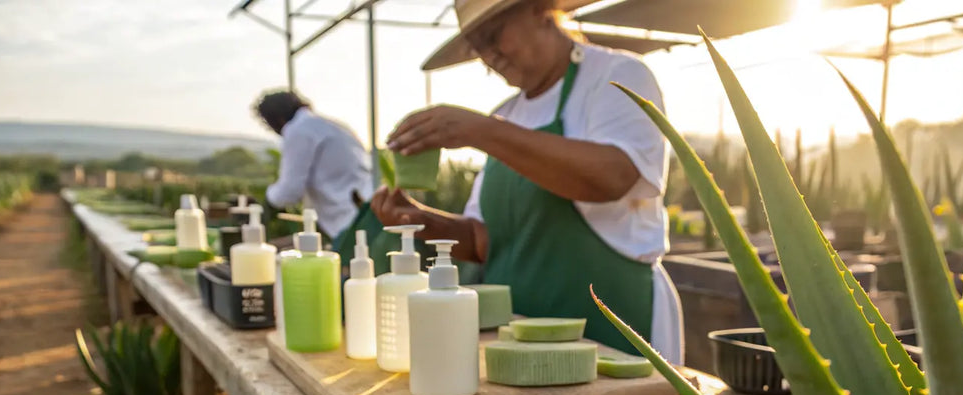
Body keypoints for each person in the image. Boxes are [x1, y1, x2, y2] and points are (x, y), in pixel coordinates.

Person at [370, 0, 684, 363]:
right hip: (523, 343)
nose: (490, 57)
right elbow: (486, 240)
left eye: (493, 36)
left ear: (539, 9)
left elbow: (614, 176)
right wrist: (415, 220)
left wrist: (480, 132)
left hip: (615, 330)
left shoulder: (617, 75)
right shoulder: (507, 114)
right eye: (478, 47)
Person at [254, 90, 374, 242]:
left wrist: (266, 202)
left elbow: (289, 192)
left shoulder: (298, 130)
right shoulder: (332, 125)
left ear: (276, 119)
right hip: (368, 209)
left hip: (348, 221)